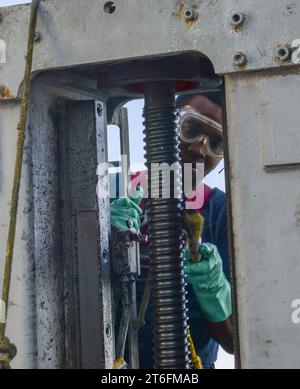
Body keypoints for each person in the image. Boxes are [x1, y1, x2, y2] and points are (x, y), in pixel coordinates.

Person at [110, 92, 234, 369]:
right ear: (167, 125)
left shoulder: (222, 211)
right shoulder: (112, 193)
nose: (199, 150)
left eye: (216, 143)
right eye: (191, 129)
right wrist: (100, 243)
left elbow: (233, 341)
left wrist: (213, 290)